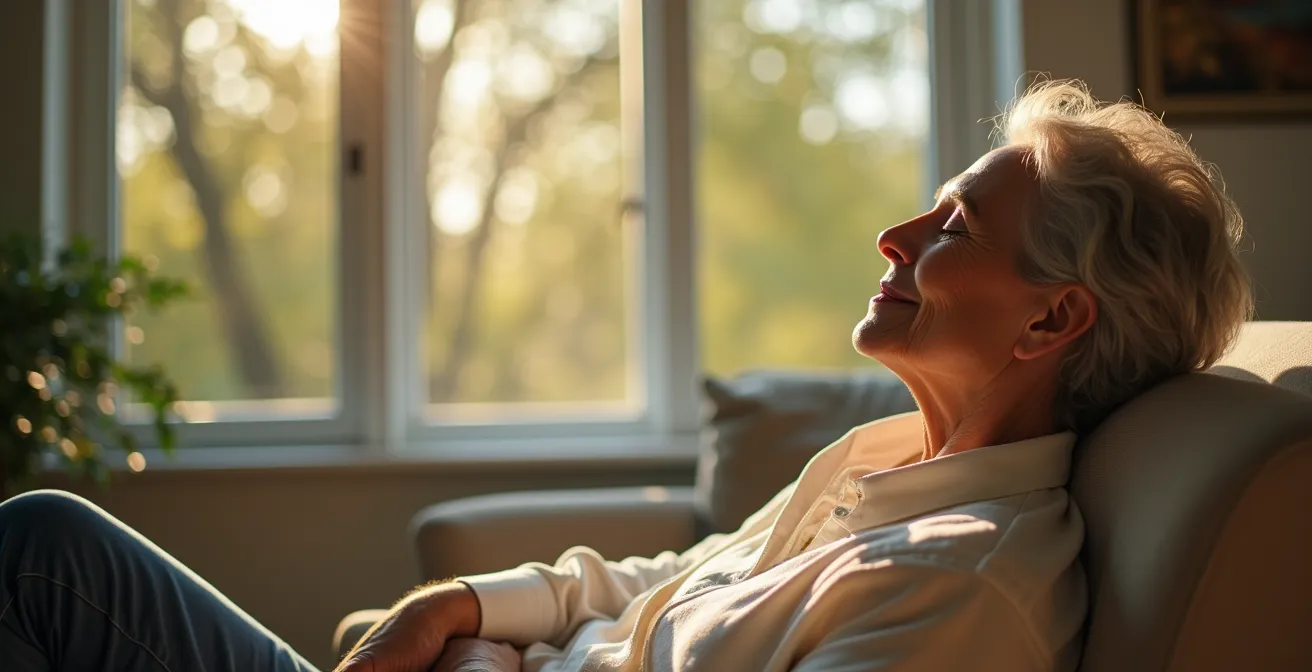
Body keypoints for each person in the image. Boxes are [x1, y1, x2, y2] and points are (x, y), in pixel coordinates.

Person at [0, 79, 1252, 672]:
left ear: (1051, 323)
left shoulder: (963, 593)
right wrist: (463, 608)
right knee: (49, 548)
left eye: (955, 228)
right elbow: (674, 576)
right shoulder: (886, 463)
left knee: (43, 558)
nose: (895, 238)